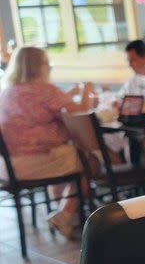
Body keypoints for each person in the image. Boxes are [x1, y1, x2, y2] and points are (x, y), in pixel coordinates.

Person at [0, 46, 94, 239]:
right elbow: (80, 110)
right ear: (39, 66)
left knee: (68, 156)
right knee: (89, 161)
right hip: (37, 160)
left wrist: (69, 93)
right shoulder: (46, 90)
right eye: (46, 63)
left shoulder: (7, 92)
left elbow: (45, 107)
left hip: (8, 164)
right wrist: (86, 90)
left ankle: (65, 211)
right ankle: (67, 213)